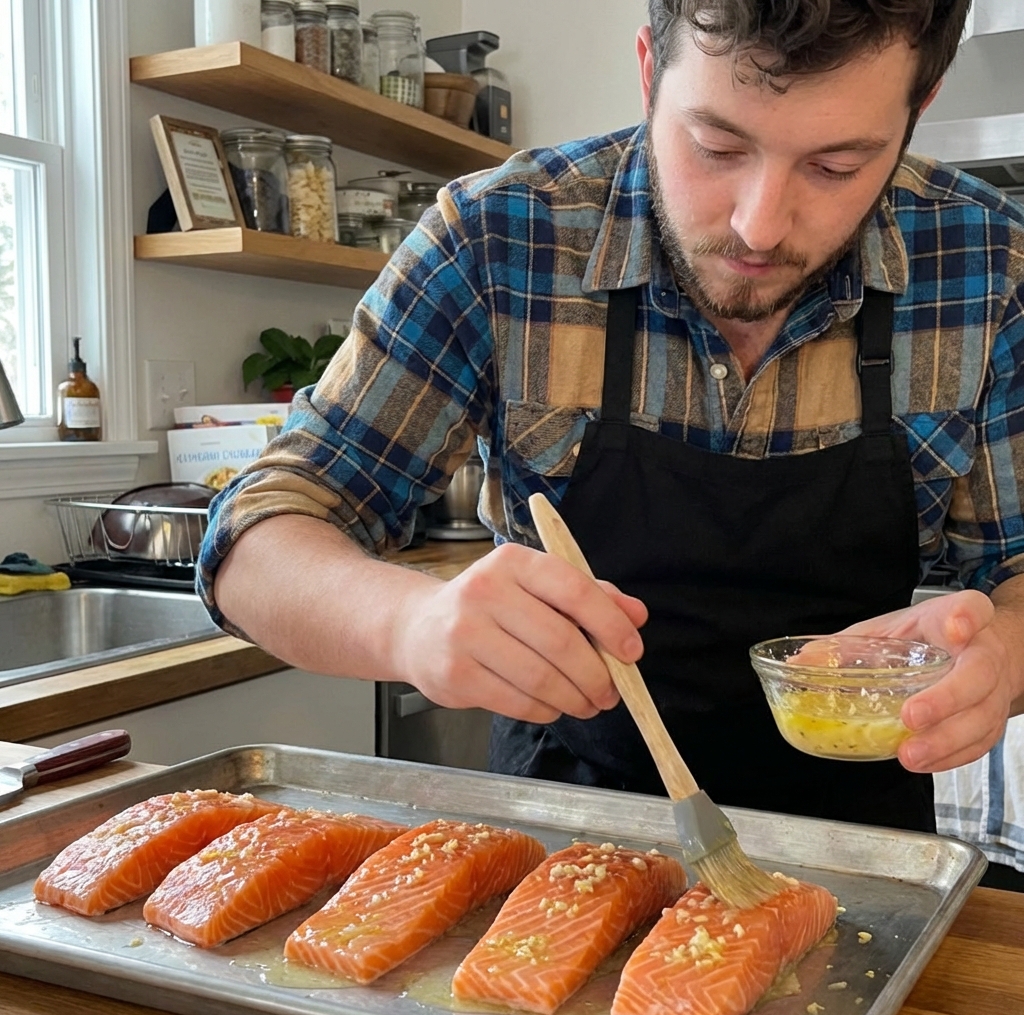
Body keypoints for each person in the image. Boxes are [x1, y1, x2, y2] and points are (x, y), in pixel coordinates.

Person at [199, 0, 1024, 835]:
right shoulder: (499, 238)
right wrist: (408, 623)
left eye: (836, 166)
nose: (759, 224)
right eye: (716, 147)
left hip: (865, 839)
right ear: (647, 70)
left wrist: (1004, 654)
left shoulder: (989, 265)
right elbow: (256, 538)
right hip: (561, 826)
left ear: (919, 107)